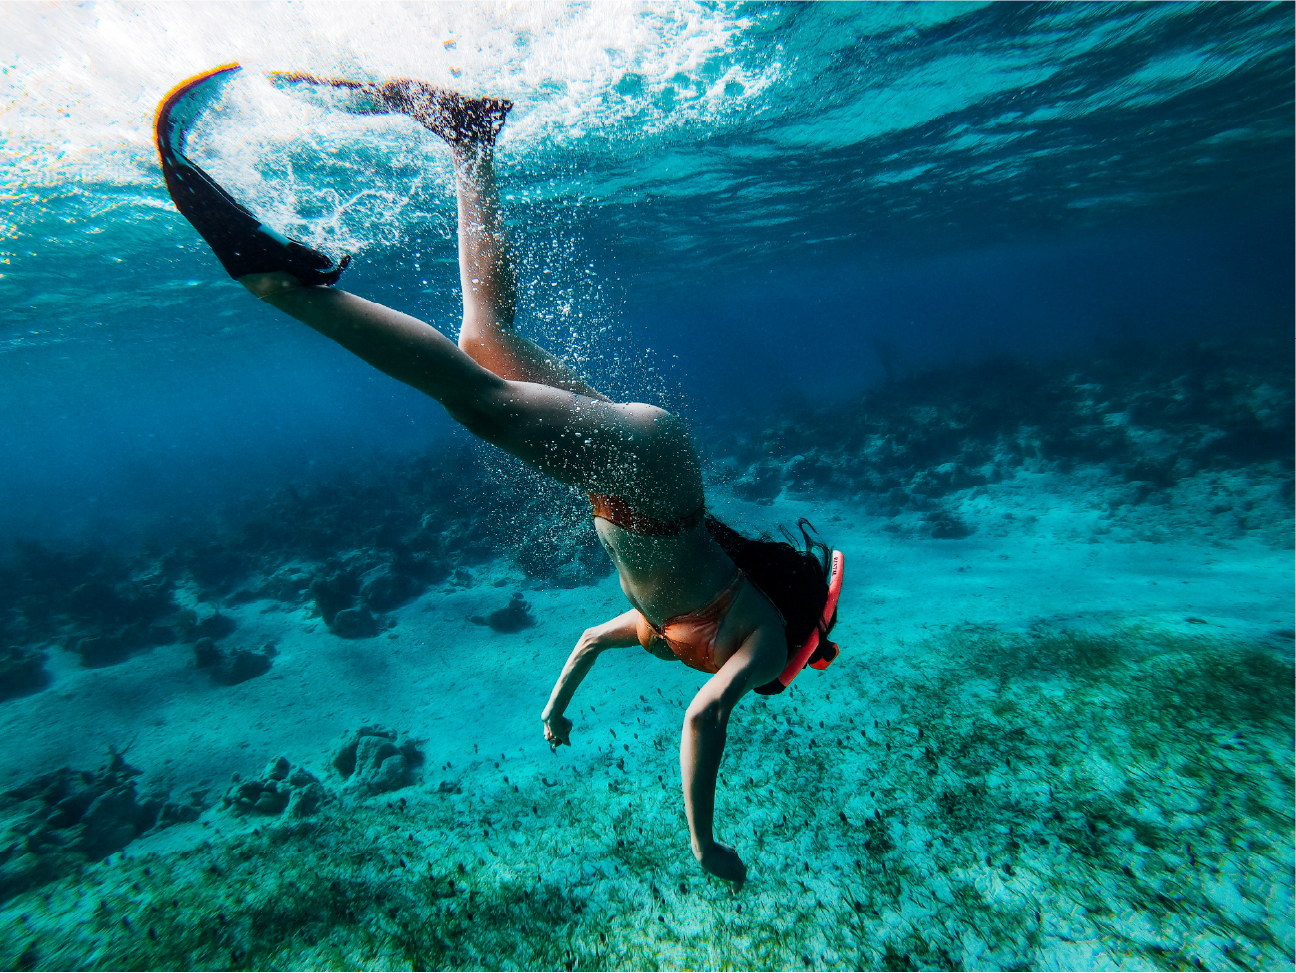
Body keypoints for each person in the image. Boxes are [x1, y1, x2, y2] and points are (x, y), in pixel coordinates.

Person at [155, 65, 844, 886]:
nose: (782, 679)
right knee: (476, 401)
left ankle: (470, 138)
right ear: (801, 635)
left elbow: (592, 637)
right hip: (647, 476)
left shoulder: (700, 628)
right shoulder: (766, 643)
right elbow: (704, 716)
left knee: (483, 337)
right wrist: (704, 841)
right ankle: (280, 283)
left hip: (634, 472)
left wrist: (556, 709)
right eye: (796, 668)